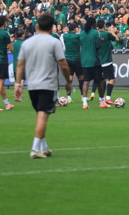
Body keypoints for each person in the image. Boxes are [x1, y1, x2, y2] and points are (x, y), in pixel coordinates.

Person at [14, 14, 72, 159]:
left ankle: (44, 147)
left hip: (32, 85)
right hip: (48, 84)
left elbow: (20, 64)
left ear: (37, 26)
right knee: (42, 115)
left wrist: (17, 84)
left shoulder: (27, 43)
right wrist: (68, 81)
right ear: (52, 27)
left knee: (41, 114)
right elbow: (63, 65)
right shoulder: (54, 42)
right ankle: (35, 149)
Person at [79, 18, 104, 109]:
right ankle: (102, 101)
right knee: (100, 81)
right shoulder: (95, 33)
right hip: (94, 61)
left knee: (86, 81)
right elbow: (98, 46)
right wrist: (100, 40)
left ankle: (85, 103)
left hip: (84, 61)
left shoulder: (81, 33)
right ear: (94, 24)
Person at [96, 20, 118, 105]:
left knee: (102, 80)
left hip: (98, 61)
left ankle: (101, 98)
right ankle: (108, 97)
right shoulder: (106, 34)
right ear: (104, 25)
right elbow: (116, 39)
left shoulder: (95, 34)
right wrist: (112, 32)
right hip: (107, 61)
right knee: (111, 79)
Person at [62, 22, 83, 102]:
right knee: (81, 78)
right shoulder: (77, 36)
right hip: (77, 59)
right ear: (75, 29)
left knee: (69, 79)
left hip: (67, 59)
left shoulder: (65, 36)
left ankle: (69, 97)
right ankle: (82, 96)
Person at [11, 29, 25, 102]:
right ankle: (19, 94)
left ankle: (15, 93)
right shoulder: (25, 43)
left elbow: (11, 50)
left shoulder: (14, 43)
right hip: (23, 64)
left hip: (15, 64)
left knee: (16, 80)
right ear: (22, 35)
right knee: (22, 80)